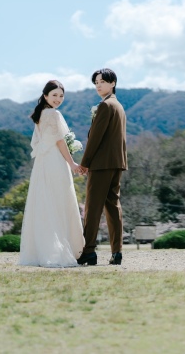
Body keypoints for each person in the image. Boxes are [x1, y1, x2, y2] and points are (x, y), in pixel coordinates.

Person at [19, 80, 85, 267]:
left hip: (42, 163)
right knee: (59, 200)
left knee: (45, 202)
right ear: (46, 95)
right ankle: (60, 250)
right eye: (54, 95)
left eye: (61, 96)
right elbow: (59, 141)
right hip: (55, 161)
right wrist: (72, 163)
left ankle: (42, 250)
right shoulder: (53, 114)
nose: (58, 99)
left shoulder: (41, 114)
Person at [76, 68, 127, 266]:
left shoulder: (105, 106)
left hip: (102, 164)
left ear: (113, 82)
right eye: (96, 82)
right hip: (117, 163)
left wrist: (85, 163)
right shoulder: (119, 106)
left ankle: (89, 251)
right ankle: (117, 252)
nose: (98, 85)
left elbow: (95, 138)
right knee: (113, 207)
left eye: (102, 81)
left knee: (93, 207)